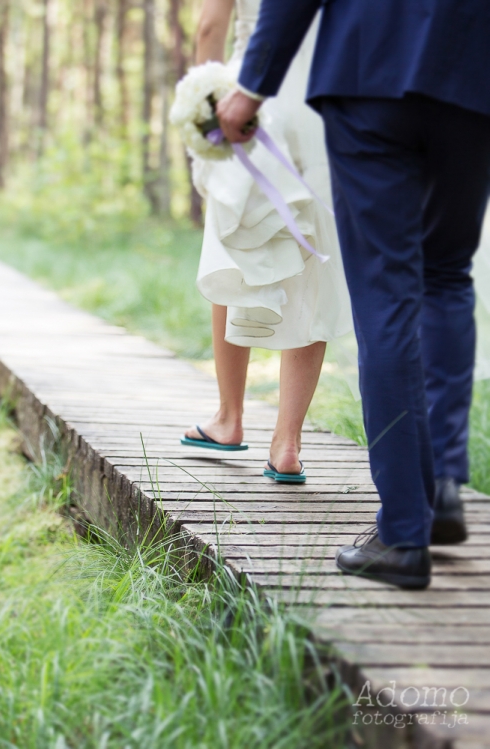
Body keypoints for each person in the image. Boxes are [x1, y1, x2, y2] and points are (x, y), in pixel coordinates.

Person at [217, 0, 490, 587]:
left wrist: (252, 85)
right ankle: (440, 485)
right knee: (446, 277)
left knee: (386, 289)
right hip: (473, 68)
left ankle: (403, 530)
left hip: (369, 67)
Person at [182, 0, 353, 482]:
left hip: (249, 102)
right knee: (314, 260)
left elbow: (210, 25)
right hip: (321, 104)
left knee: (234, 249)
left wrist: (202, 107)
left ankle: (228, 417)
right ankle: (287, 444)